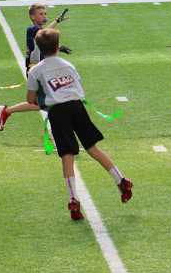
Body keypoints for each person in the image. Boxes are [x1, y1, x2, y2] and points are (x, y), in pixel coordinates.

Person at [24, 28, 132, 220]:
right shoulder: (68, 64)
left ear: (40, 48)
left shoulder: (36, 71)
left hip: (58, 112)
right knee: (92, 147)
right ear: (57, 46)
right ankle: (121, 179)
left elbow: (30, 100)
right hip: (77, 106)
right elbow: (78, 86)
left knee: (67, 155)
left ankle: (73, 199)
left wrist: (42, 95)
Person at [0, 3, 70, 130]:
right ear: (32, 17)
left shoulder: (39, 32)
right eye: (41, 14)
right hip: (36, 71)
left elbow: (43, 45)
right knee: (51, 101)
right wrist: (56, 21)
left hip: (41, 70)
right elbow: (43, 35)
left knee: (42, 103)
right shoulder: (32, 29)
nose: (44, 16)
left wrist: (59, 48)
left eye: (45, 13)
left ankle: (6, 111)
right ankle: (6, 111)